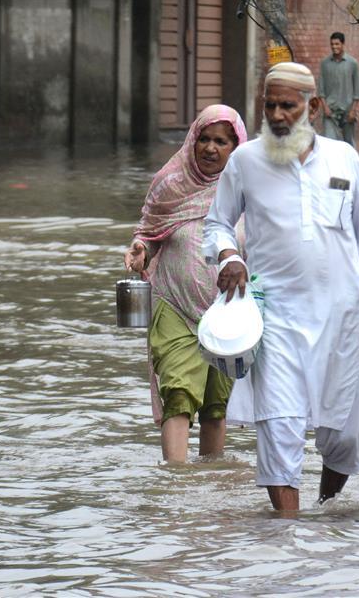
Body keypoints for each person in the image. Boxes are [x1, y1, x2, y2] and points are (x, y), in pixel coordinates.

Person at [202, 62, 359, 511]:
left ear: (312, 107)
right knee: (279, 425)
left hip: (342, 322)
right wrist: (230, 256)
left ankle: (325, 514)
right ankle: (287, 543)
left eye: (287, 106)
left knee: (344, 437)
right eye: (269, 104)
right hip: (275, 319)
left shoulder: (343, 158)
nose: (276, 114)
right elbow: (215, 225)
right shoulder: (245, 161)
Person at [124, 105, 248, 463]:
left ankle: (209, 481)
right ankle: (176, 484)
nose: (211, 148)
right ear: (192, 140)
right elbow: (148, 232)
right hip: (174, 306)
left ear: (235, 146)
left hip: (228, 312)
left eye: (221, 142)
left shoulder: (246, 191)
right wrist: (140, 250)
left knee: (216, 405)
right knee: (178, 393)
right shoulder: (170, 183)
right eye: (204, 139)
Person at [318, 31, 359, 146]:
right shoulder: (325, 64)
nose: (334, 47)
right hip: (330, 111)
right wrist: (325, 107)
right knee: (329, 143)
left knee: (348, 143)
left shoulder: (353, 63)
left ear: (343, 44)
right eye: (332, 44)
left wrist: (353, 110)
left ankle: (349, 163)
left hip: (348, 110)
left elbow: (357, 90)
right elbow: (321, 89)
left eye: (337, 44)